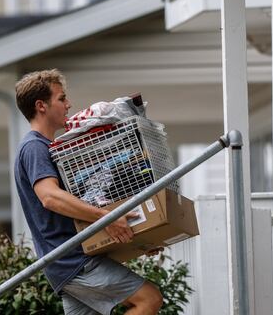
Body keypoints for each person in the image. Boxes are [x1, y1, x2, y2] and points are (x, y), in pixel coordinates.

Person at [13, 69, 163, 315]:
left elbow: (76, 210)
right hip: (73, 260)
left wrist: (140, 241)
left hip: (68, 262)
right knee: (149, 299)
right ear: (41, 106)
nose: (68, 104)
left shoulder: (48, 149)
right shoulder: (34, 148)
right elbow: (49, 197)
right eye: (61, 99)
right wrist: (107, 217)